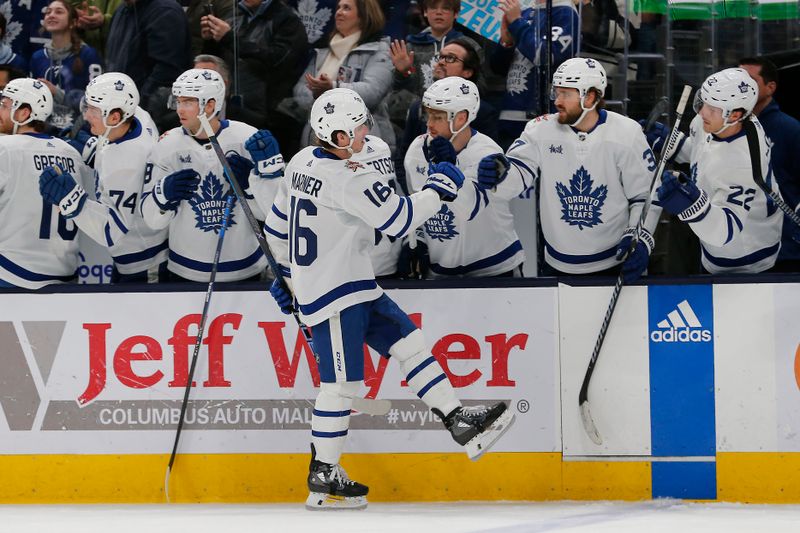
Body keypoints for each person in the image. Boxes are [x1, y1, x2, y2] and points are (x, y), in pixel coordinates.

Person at [264, 88, 515, 510]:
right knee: (341, 386)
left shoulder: (302, 162)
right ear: (340, 136)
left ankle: (458, 421)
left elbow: (275, 225)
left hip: (352, 281)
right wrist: (439, 188)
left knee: (410, 343)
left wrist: (287, 275)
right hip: (334, 294)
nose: (367, 131)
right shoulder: (347, 177)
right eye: (359, 126)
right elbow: (400, 220)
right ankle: (323, 471)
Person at [478, 58, 660, 280]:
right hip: (556, 264)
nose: (557, 101)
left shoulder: (626, 133)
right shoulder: (540, 130)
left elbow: (645, 195)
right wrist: (500, 174)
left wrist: (640, 238)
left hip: (614, 263)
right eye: (556, 92)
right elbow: (518, 174)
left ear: (590, 97)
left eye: (566, 94)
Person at [140, 68, 283, 283]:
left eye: (188, 102)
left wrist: (252, 185)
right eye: (178, 101)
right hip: (185, 268)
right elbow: (152, 221)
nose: (180, 109)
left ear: (210, 105)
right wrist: (162, 196)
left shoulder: (248, 139)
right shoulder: (166, 146)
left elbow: (273, 214)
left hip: (245, 268)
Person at [653, 68, 783, 274]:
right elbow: (702, 155)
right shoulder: (716, 122)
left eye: (712, 109)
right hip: (710, 244)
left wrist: (691, 206)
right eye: (703, 101)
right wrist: (672, 143)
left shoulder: (742, 160)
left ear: (736, 115)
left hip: (744, 257)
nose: (702, 111)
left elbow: (726, 230)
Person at [0, 78, 124, 288]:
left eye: (4, 106)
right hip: (64, 277)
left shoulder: (5, 148)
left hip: (10, 274)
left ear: (24, 113)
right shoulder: (70, 152)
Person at [402, 76, 524, 277]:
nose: (429, 124)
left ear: (461, 118)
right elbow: (417, 205)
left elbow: (470, 208)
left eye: (438, 117)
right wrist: (416, 240)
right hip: (441, 269)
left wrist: (449, 168)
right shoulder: (417, 149)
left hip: (493, 269)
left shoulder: (487, 153)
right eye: (428, 115)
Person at [80, 72, 167, 282]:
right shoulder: (138, 115)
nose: (85, 116)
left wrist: (72, 202)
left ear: (115, 117)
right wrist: (100, 146)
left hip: (142, 262)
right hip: (144, 250)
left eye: (93, 110)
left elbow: (111, 231)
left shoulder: (124, 165)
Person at [200, 0, 308, 155]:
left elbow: (279, 60)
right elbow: (220, 61)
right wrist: (211, 40)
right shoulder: (233, 14)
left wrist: (229, 38)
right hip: (231, 109)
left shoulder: (287, 21)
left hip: (269, 117)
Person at [292, 0, 396, 153]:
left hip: (363, 144)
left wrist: (332, 89)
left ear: (363, 16)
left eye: (346, 8)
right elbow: (300, 88)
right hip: (318, 140)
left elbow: (373, 91)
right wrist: (317, 96)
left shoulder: (380, 51)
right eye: (338, 8)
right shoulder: (323, 51)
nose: (338, 12)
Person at [739, 57, 800, 272]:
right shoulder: (725, 129)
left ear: (770, 87)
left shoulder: (790, 130)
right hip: (738, 252)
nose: (741, 86)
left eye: (749, 80)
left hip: (784, 254)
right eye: (737, 79)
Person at [491, 0, 579, 150]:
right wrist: (506, 44)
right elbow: (498, 69)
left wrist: (518, 23)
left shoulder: (565, 13)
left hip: (542, 119)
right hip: (509, 116)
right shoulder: (523, 13)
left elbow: (546, 57)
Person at [104, 0, 191, 131]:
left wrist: (136, 108)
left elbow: (166, 71)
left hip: (149, 119)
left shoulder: (165, 11)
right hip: (120, 112)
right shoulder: (121, 10)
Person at [387, 0, 463, 130]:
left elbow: (479, 87)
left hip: (454, 121)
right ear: (425, 12)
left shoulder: (468, 47)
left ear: (456, 14)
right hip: (416, 122)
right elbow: (395, 90)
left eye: (446, 8)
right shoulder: (410, 47)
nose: (439, 12)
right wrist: (403, 73)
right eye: (433, 7)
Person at [30, 0, 103, 130]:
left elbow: (97, 100)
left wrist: (57, 93)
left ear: (73, 22)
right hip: (44, 132)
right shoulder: (37, 57)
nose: (51, 15)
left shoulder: (89, 54)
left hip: (80, 131)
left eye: (59, 12)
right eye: (48, 12)